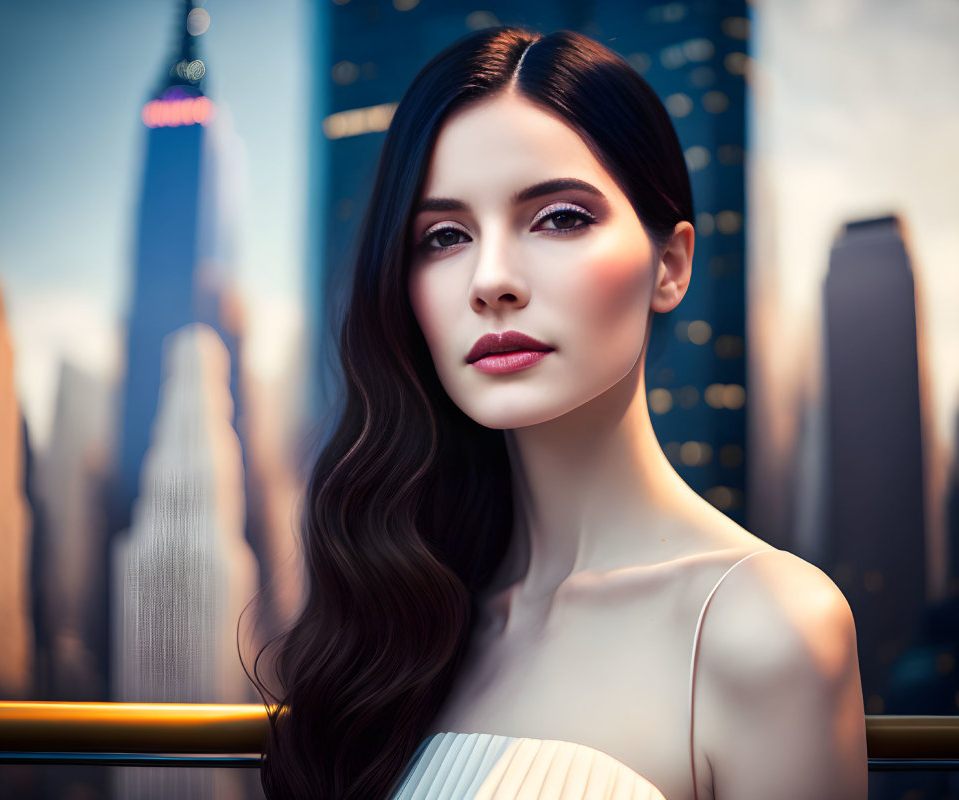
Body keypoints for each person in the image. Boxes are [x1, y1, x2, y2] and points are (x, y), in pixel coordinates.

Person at [255, 27, 868, 800]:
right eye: (444, 236)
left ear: (670, 264)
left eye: (559, 218)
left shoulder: (763, 625)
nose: (492, 280)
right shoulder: (410, 621)